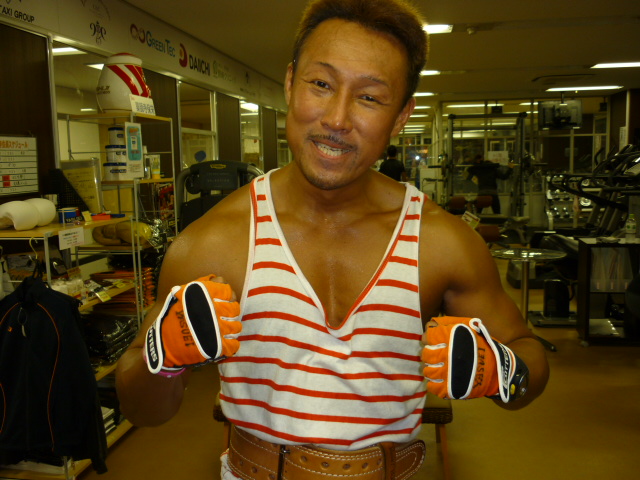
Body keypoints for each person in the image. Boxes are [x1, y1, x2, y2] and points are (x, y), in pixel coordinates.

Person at [116, 0, 549, 478]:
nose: (337, 119)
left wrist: (504, 372)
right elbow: (143, 410)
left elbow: (528, 358)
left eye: (370, 97)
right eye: (321, 84)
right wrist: (163, 358)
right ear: (290, 83)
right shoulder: (215, 241)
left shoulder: (440, 240)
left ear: (401, 116)